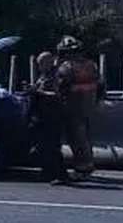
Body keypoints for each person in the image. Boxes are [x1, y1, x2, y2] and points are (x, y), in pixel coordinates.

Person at [56, 35, 102, 181]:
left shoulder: (66, 66)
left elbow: (60, 86)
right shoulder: (91, 65)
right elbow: (101, 85)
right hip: (89, 105)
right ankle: (87, 166)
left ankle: (82, 169)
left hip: (73, 105)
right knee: (85, 137)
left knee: (75, 138)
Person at [27, 51, 69, 185]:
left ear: (48, 63)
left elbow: (58, 95)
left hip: (53, 115)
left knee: (53, 146)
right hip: (42, 115)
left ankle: (61, 175)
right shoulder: (44, 76)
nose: (39, 66)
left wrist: (38, 92)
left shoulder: (57, 75)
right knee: (42, 146)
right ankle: (48, 172)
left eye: (41, 63)